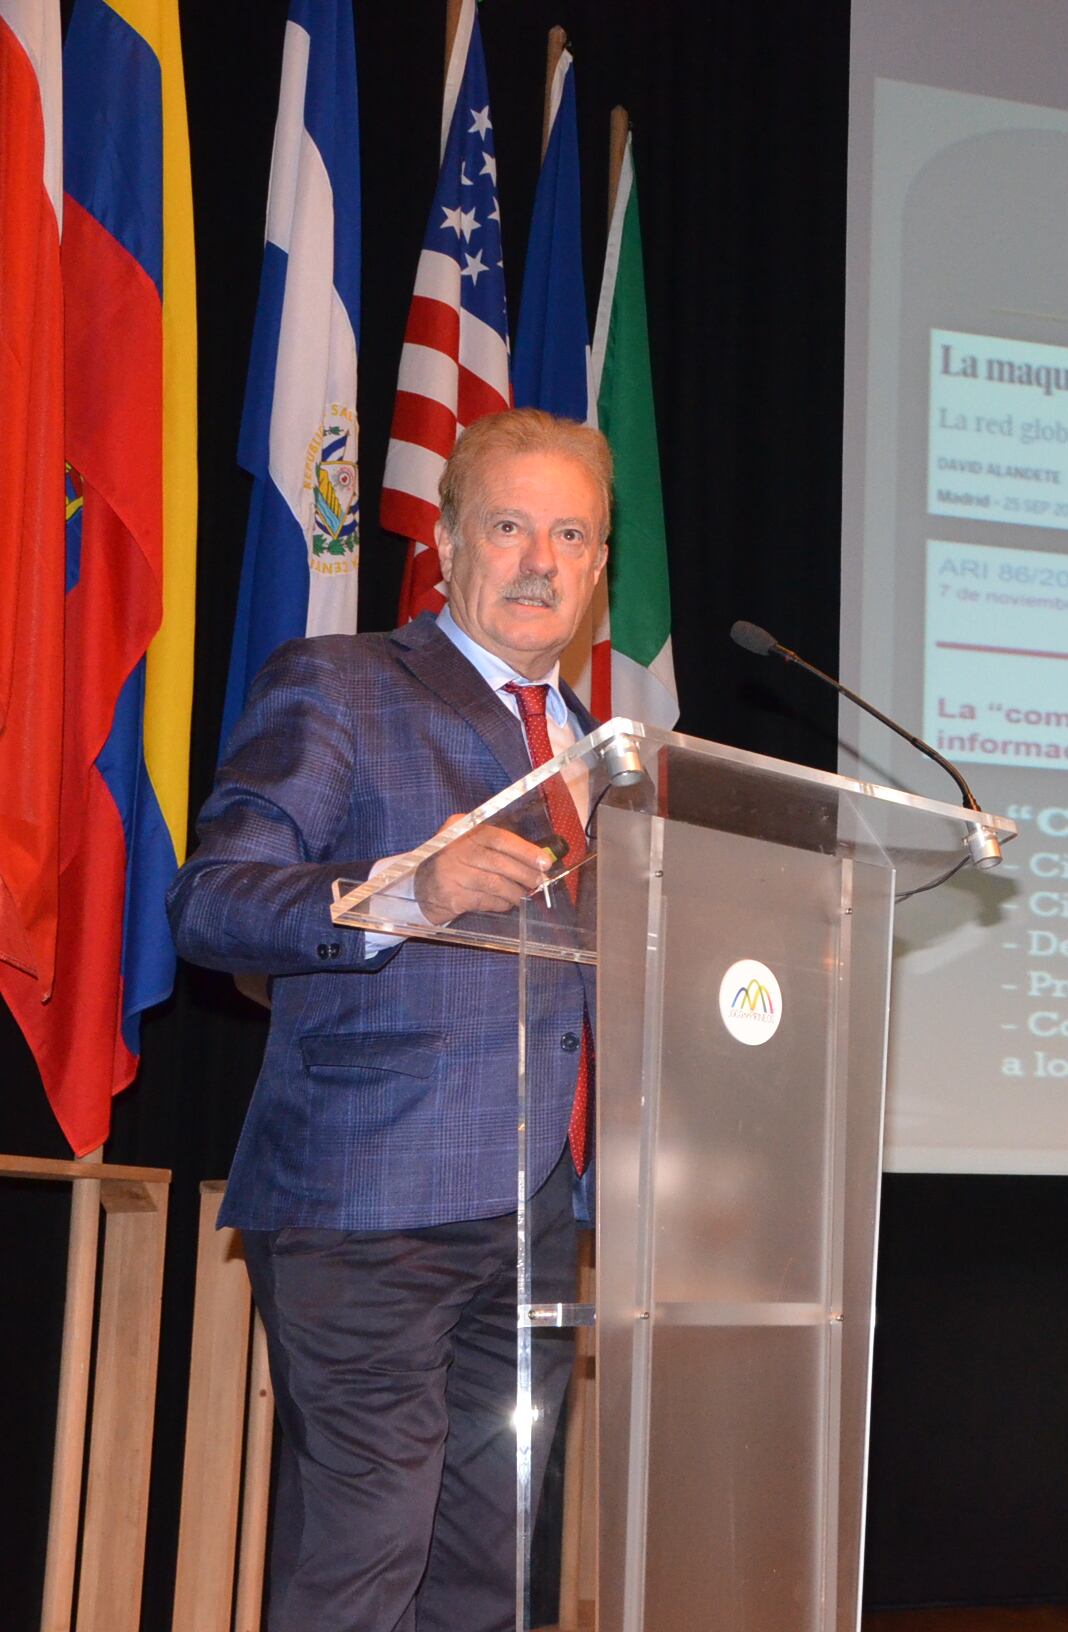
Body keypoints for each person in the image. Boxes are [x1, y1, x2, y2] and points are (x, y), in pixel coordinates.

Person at [170, 408, 613, 1632]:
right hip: (368, 1205)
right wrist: (408, 891)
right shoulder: (346, 687)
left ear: (598, 570)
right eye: (510, 527)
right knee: (364, 1564)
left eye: (571, 536)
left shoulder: (608, 755)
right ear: (448, 545)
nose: (540, 562)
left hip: (538, 1211)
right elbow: (213, 901)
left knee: (484, 1581)